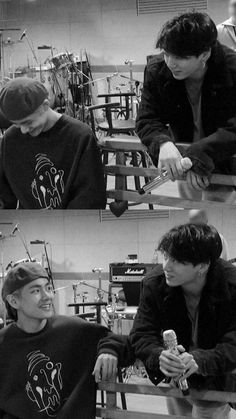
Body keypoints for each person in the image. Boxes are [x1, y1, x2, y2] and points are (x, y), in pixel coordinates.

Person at [0, 261, 132, 419]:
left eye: (48, 288)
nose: (47, 296)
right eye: (36, 291)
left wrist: (109, 350)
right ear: (14, 301)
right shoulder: (4, 345)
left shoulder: (73, 330)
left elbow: (121, 342)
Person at [129, 224, 236, 418]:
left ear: (203, 266)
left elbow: (234, 342)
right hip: (175, 375)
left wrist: (201, 360)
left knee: (208, 410)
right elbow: (141, 334)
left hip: (215, 373)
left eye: (177, 261)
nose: (166, 266)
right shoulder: (155, 284)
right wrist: (158, 356)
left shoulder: (232, 285)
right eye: (166, 256)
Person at [136, 12, 236, 202]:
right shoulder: (157, 70)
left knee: (219, 213)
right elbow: (147, 119)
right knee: (192, 213)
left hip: (223, 159)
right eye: (166, 54)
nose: (171, 63)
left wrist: (203, 152)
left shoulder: (232, 69)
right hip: (183, 160)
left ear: (205, 54)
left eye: (180, 57)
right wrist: (162, 143)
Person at [0, 77, 106, 209]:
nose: (23, 130)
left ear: (45, 106)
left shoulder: (80, 137)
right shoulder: (10, 140)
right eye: (16, 124)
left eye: (27, 122)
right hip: (29, 225)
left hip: (70, 225)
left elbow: (91, 197)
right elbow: (4, 195)